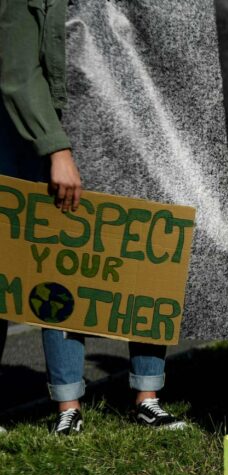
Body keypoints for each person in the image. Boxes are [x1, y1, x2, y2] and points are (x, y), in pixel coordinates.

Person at [0, 0, 184, 434]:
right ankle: (69, 406)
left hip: (137, 139)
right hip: (70, 144)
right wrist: (56, 150)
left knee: (144, 261)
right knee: (65, 268)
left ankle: (148, 397)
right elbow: (17, 74)